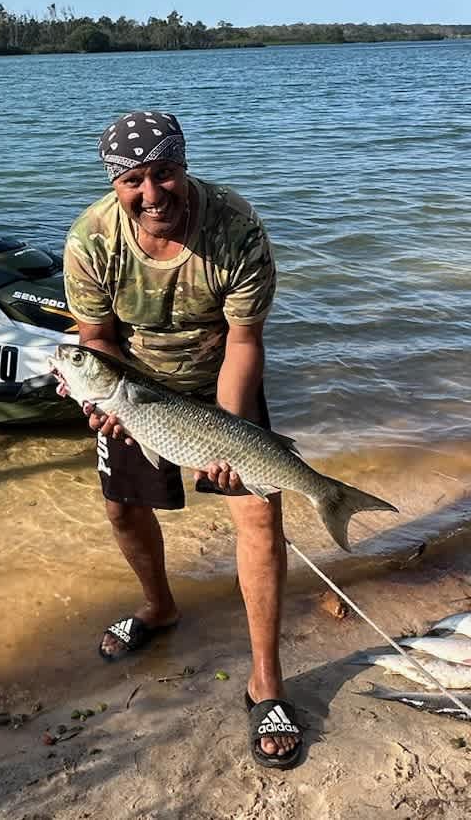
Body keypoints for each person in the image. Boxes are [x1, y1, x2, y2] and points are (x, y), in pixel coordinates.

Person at [61, 109, 302, 768]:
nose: (151, 194)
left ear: (183, 167)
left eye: (163, 174)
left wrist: (226, 436)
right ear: (116, 185)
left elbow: (245, 341)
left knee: (257, 510)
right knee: (121, 506)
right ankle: (159, 607)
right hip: (132, 392)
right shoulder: (89, 241)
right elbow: (96, 340)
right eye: (133, 181)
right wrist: (101, 400)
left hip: (222, 379)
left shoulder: (236, 226)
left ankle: (266, 681)